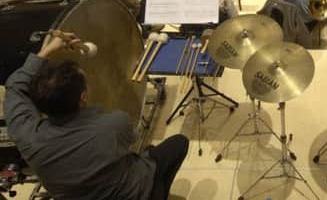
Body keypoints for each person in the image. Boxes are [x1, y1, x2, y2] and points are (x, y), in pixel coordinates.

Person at [4, 32, 189, 200]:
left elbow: (14, 86)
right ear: (83, 98)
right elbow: (131, 139)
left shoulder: (26, 136)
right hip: (136, 192)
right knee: (178, 143)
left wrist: (46, 51)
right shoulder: (112, 124)